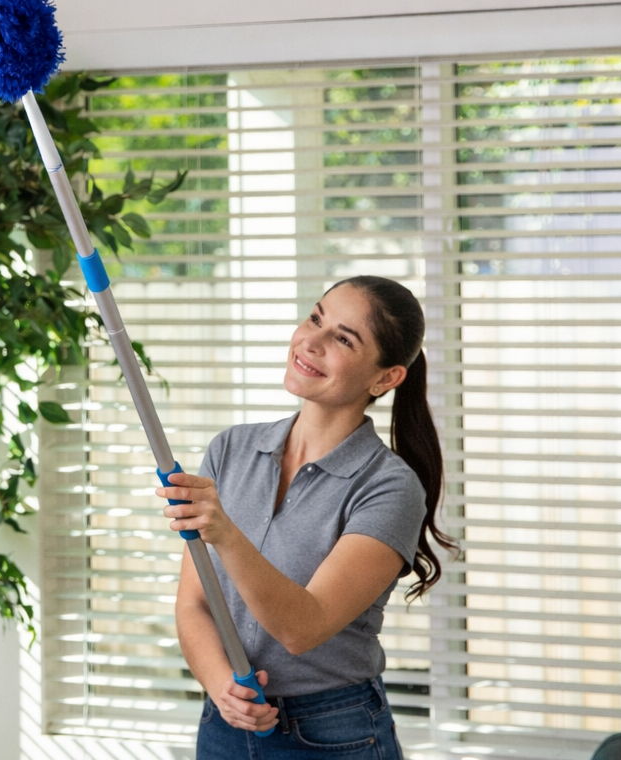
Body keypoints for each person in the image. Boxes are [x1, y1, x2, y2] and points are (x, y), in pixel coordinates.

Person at [157, 275, 455, 758]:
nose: (309, 341)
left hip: (335, 734)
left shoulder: (389, 487)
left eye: (342, 338)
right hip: (224, 724)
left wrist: (226, 534)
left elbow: (303, 627)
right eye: (315, 317)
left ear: (386, 378)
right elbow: (195, 603)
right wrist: (222, 687)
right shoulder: (230, 450)